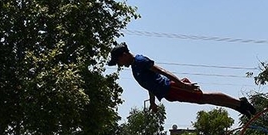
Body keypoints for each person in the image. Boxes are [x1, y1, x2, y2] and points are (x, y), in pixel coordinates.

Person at [108, 43, 256, 117]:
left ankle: (241, 103)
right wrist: (152, 103)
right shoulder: (135, 67)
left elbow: (161, 71)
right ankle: (238, 106)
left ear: (124, 55)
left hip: (172, 88)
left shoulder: (139, 61)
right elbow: (149, 85)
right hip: (170, 93)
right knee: (204, 100)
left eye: (118, 61)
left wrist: (182, 85)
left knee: (205, 97)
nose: (119, 65)